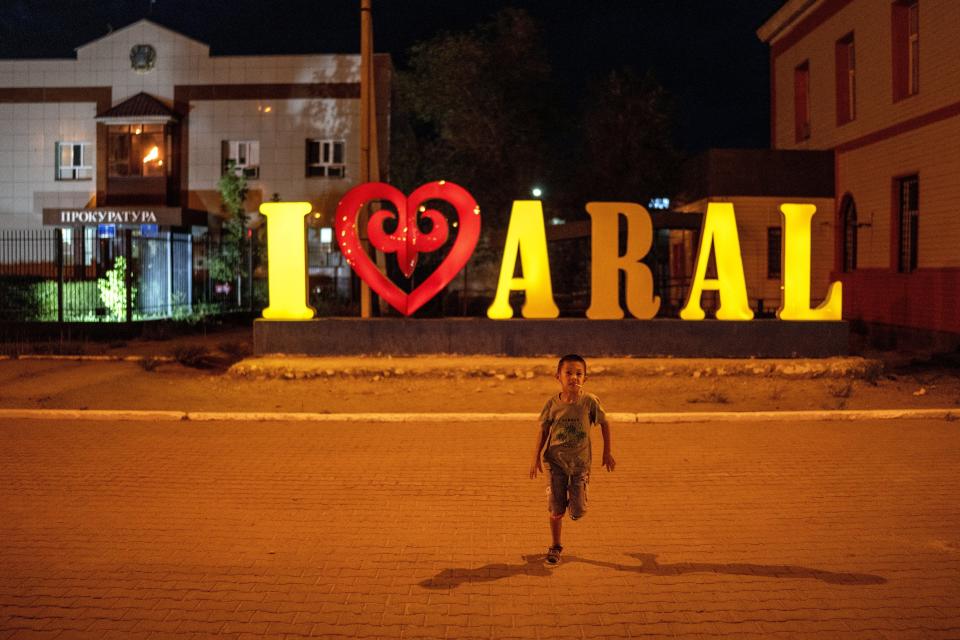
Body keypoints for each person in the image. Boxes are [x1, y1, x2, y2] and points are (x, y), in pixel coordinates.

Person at [529, 353, 615, 566]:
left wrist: (607, 452)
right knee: (557, 509)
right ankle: (556, 545)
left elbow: (604, 423)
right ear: (558, 376)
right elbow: (543, 430)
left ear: (585, 378)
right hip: (555, 462)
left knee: (577, 512)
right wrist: (535, 458)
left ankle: (576, 494)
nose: (573, 377)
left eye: (579, 374)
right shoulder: (552, 404)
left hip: (580, 464)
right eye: (568, 373)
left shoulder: (590, 402)